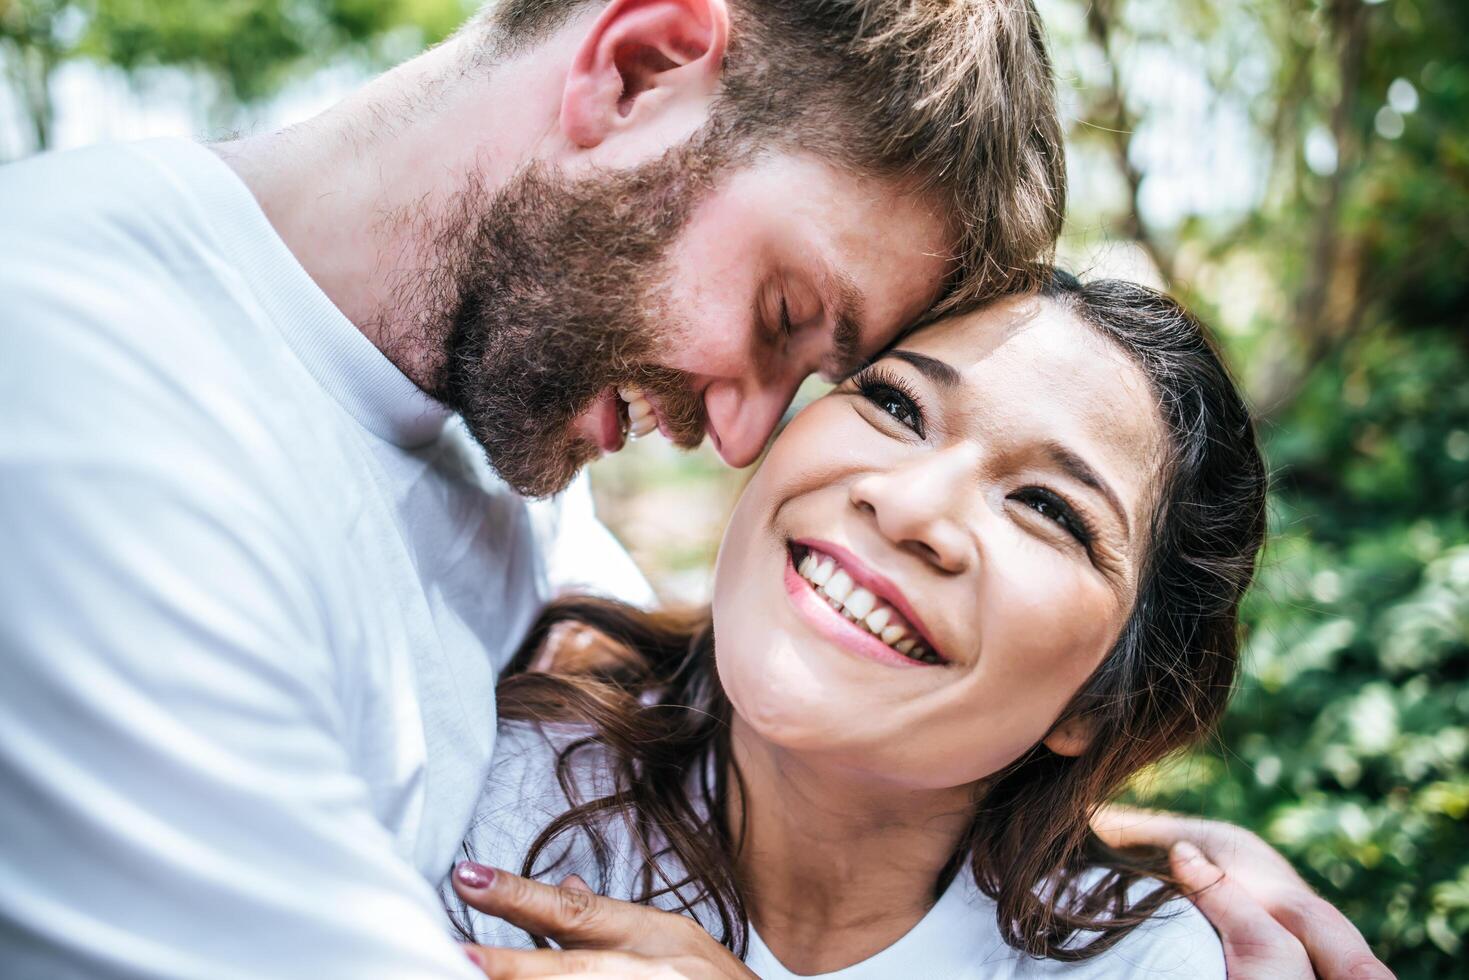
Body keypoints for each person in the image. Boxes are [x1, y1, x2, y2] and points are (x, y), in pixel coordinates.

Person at [0, 0, 1385, 977]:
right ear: (640, 64)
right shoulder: (81, 408)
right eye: (788, 311)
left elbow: (728, 728)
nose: (743, 441)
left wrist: (1130, 861)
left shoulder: (491, 442)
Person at [444, 275, 1260, 978]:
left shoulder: (1142, 963)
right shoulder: (503, 800)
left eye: (1046, 507)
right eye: (896, 403)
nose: (906, 505)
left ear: (1102, 700)